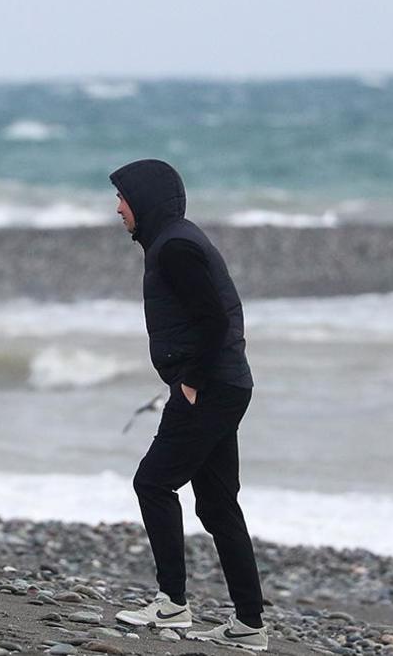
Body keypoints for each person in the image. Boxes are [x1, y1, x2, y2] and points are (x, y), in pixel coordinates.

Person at [109, 159, 268, 651]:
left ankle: (172, 604)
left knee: (153, 482)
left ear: (145, 201)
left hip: (211, 388)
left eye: (122, 198)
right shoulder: (172, 240)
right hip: (227, 386)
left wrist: (192, 380)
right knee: (218, 506)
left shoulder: (175, 246)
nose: (117, 208)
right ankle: (249, 626)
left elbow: (214, 318)